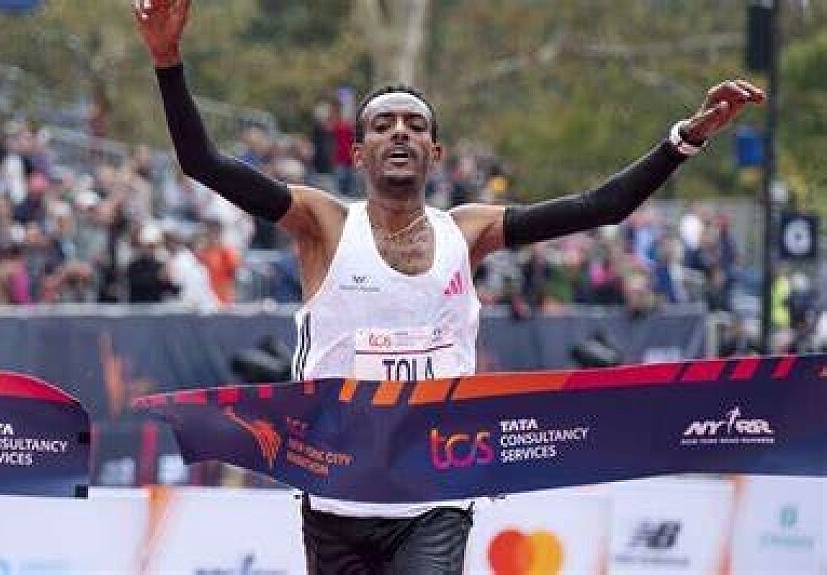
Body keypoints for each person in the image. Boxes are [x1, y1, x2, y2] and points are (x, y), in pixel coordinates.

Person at [132, 1, 765, 572]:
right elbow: (204, 163)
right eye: (383, 124)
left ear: (435, 152)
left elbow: (601, 206)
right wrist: (167, 61)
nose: (399, 131)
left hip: (435, 492)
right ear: (358, 153)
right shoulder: (323, 223)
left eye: (414, 124)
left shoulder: (469, 231)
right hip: (336, 495)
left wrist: (684, 139)